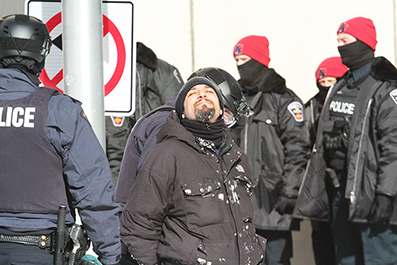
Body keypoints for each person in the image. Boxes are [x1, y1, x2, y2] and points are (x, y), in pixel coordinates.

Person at [0, 14, 121, 264]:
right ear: (42, 55)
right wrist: (110, 255)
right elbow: (93, 190)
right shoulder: (58, 110)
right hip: (40, 251)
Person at [119, 68, 266, 265]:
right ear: (182, 113)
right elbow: (141, 223)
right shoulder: (167, 146)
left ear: (221, 109)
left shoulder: (235, 157)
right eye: (192, 93)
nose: (202, 94)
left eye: (210, 91)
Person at [293, 17, 397, 264]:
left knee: (378, 259)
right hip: (340, 193)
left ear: (364, 42)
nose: (341, 47)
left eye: (346, 41)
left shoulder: (385, 87)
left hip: (373, 195)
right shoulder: (340, 85)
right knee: (345, 259)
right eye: (338, 41)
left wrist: (386, 193)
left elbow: (393, 145)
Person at [232, 35, 310, 265]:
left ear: (259, 59)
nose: (240, 65)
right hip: (240, 204)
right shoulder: (235, 100)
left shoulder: (284, 100)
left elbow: (299, 149)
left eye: (244, 59)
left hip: (274, 201)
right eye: (236, 60)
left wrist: (289, 192)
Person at [106, 42, 184, 185]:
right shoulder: (100, 73)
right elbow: (114, 148)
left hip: (162, 175)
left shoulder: (164, 72)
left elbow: (179, 126)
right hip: (118, 176)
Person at [305, 56, 348, 265]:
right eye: (322, 83)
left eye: (331, 82)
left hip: (344, 183)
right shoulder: (310, 108)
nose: (326, 87)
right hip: (318, 185)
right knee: (321, 241)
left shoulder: (351, 105)